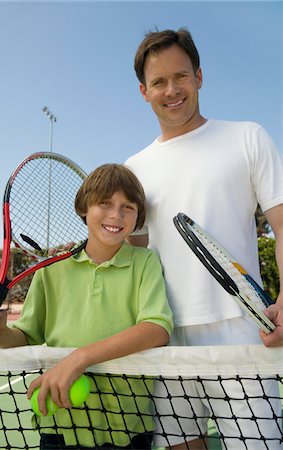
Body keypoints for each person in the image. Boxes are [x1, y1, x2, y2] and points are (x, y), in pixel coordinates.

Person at [125, 28, 283, 449]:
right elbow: (134, 257)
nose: (171, 90)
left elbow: (282, 225)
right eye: (159, 81)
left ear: (199, 76)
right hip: (167, 335)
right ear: (143, 91)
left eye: (181, 76)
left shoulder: (248, 136)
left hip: (245, 331)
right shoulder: (133, 168)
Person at [0, 163, 174, 450]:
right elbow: (26, 338)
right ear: (84, 208)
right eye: (105, 203)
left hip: (127, 424)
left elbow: (156, 329)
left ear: (138, 217)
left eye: (128, 207)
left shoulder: (144, 262)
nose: (116, 215)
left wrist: (79, 358)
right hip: (59, 422)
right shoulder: (51, 269)